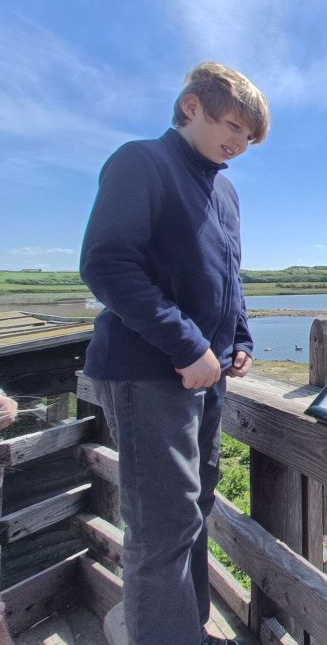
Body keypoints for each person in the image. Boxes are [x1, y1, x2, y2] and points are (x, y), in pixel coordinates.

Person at [80, 62, 269, 645]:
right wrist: (190, 347)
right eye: (232, 125)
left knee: (196, 506)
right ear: (192, 106)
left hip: (205, 375)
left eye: (248, 137)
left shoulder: (226, 188)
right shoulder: (142, 162)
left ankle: (184, 627)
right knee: (163, 524)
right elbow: (107, 265)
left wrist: (237, 338)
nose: (238, 143)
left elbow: (226, 275)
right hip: (148, 372)